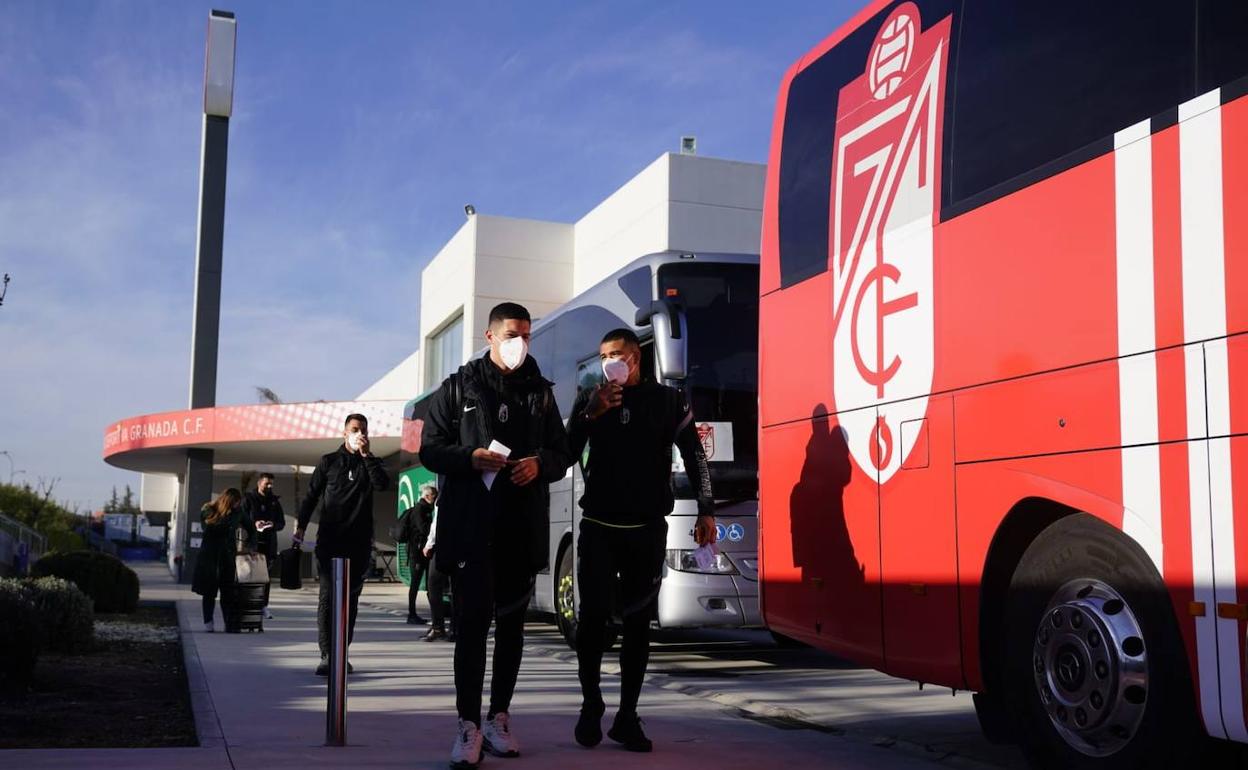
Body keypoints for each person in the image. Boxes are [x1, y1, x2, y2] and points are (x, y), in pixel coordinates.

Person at [420, 301, 572, 769]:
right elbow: (430, 449)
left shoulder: (540, 392)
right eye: (511, 335)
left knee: (511, 627)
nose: (519, 344)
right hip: (471, 526)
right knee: (471, 628)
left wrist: (540, 464)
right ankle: (467, 724)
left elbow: (562, 450)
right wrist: (469, 458)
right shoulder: (458, 386)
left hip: (520, 526)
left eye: (526, 335)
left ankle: (498, 718)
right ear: (489, 336)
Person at [567, 327, 717, 752]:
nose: (609, 362)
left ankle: (627, 716)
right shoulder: (589, 398)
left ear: (635, 358)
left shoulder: (668, 401)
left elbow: (695, 455)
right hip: (598, 526)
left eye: (617, 354)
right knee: (591, 621)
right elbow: (565, 451)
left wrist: (706, 508)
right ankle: (591, 704)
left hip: (646, 529)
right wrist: (591, 413)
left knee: (637, 624)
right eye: (603, 356)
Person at [293, 413, 390, 676]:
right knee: (327, 596)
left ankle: (341, 652)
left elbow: (382, 484)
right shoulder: (329, 461)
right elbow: (311, 495)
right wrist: (301, 527)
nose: (360, 434)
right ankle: (327, 654)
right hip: (330, 540)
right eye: (355, 429)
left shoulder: (371, 462)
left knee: (351, 600)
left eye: (364, 430)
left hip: (359, 542)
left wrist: (367, 456)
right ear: (345, 432)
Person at [191, 488, 256, 633]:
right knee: (209, 591)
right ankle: (208, 621)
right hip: (210, 556)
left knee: (228, 592)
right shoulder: (209, 509)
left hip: (228, 556)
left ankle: (229, 623)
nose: (238, 505)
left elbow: (251, 528)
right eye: (236, 502)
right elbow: (208, 527)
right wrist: (225, 517)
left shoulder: (238, 513)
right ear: (229, 501)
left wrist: (251, 546)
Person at [242, 472, 285, 619]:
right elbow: (241, 519)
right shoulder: (249, 499)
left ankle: (263, 605)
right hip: (252, 544)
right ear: (259, 483)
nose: (269, 486)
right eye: (267, 483)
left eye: (271, 484)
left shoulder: (274, 501)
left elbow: (281, 523)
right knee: (250, 576)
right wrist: (254, 524)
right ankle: (249, 605)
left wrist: (272, 525)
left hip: (269, 544)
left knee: (265, 578)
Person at [397, 484, 437, 625]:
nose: (435, 499)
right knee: (415, 583)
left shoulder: (426, 509)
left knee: (430, 583)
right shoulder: (419, 510)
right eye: (434, 496)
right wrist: (435, 529)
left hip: (423, 552)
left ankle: (435, 614)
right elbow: (423, 529)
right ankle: (412, 614)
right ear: (427, 496)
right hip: (417, 553)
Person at [421, 501, 455, 642]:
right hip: (461, 544)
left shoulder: (445, 494)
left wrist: (429, 544)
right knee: (456, 588)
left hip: (443, 545)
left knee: (434, 585)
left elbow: (437, 521)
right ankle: (454, 628)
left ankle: (438, 627)